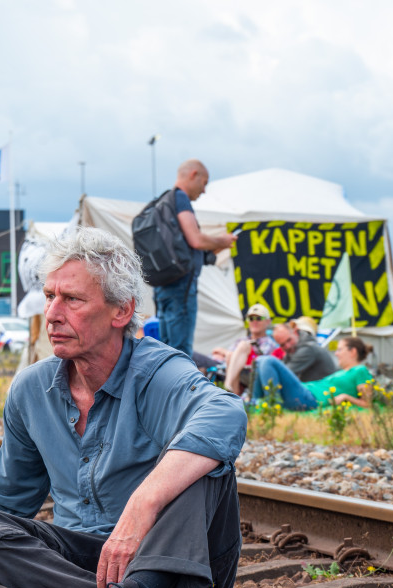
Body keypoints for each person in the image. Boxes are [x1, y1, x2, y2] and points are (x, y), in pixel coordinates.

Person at [0, 227, 278, 588]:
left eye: (72, 299)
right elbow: (3, 502)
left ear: (121, 311)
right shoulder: (32, 390)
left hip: (171, 579)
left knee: (208, 464)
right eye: (49, 296)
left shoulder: (156, 371)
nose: (52, 313)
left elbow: (225, 413)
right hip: (83, 576)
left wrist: (143, 503)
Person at [153, 160, 238, 358]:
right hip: (180, 289)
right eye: (204, 182)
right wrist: (222, 240)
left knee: (165, 350)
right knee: (180, 352)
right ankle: (177, 389)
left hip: (163, 285)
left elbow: (189, 248)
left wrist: (213, 248)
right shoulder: (180, 199)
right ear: (194, 175)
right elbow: (196, 240)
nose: (204, 190)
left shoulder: (162, 201)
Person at [252, 336, 376, 410]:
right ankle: (255, 403)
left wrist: (346, 397)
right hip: (304, 391)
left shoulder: (360, 370)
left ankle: (271, 406)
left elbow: (367, 403)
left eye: (339, 350)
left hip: (309, 398)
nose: (336, 354)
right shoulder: (343, 372)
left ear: (353, 352)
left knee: (267, 360)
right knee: (259, 362)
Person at [209, 303, 279, 395]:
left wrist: (224, 352)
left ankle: (227, 385)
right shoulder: (241, 339)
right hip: (238, 376)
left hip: (256, 376)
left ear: (268, 321)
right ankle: (232, 393)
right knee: (224, 355)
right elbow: (228, 357)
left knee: (241, 346)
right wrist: (223, 354)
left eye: (259, 318)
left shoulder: (270, 343)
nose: (254, 321)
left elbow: (261, 363)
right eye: (251, 318)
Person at [269, 320, 337, 382]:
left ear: (295, 332)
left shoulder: (307, 349)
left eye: (289, 340)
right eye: (282, 345)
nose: (287, 346)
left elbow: (283, 374)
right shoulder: (296, 348)